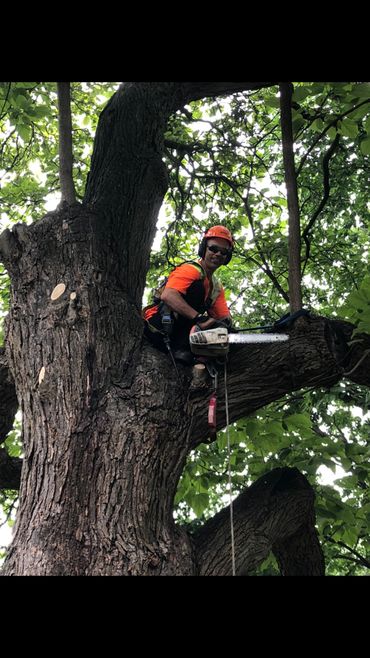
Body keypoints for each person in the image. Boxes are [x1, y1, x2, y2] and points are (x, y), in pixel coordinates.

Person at [143, 225, 233, 364]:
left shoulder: (216, 287)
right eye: (213, 249)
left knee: (223, 327)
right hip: (160, 328)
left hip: (184, 335)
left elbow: (224, 317)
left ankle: (188, 349)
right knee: (197, 288)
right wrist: (199, 318)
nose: (218, 254)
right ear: (204, 249)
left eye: (223, 252)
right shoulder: (190, 270)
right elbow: (168, 295)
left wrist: (225, 328)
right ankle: (181, 347)